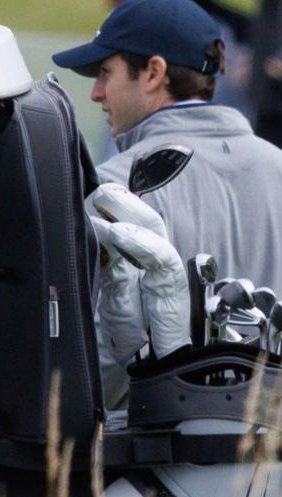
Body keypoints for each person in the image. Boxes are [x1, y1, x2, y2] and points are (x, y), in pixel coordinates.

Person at [52, 0, 282, 405]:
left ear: (154, 73)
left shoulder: (111, 189)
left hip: (149, 441)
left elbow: (94, 367)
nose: (96, 92)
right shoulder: (277, 165)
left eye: (105, 73)